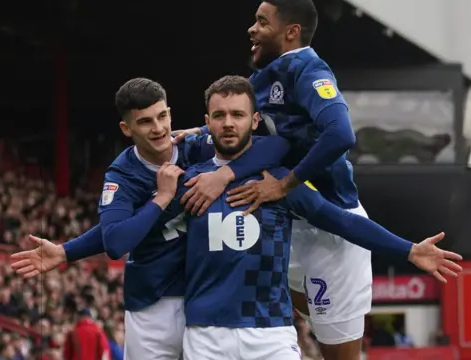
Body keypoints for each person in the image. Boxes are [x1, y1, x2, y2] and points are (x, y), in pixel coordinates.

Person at [171, 2, 441, 359]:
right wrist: (201, 131)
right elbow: (249, 122)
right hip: (286, 225)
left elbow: (340, 134)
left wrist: (285, 185)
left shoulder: (309, 69)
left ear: (291, 31)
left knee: (337, 351)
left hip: (332, 232)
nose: (252, 29)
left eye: (262, 22)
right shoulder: (262, 78)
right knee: (301, 311)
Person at [10, 78, 288, 360]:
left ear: (170, 113)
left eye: (162, 116)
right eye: (145, 122)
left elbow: (276, 147)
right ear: (126, 129)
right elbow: (116, 239)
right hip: (154, 303)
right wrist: (161, 198)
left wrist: (222, 175)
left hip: (203, 298)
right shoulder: (122, 175)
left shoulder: (197, 147)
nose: (158, 129)